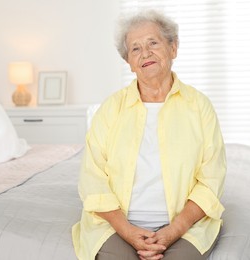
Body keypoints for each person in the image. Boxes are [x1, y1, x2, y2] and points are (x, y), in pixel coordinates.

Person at [72, 9, 226, 260]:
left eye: (153, 43)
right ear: (129, 62)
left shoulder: (199, 106)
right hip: (116, 226)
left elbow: (212, 179)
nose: (145, 53)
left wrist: (172, 231)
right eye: (135, 48)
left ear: (173, 48)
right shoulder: (111, 109)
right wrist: (128, 231)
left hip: (185, 227)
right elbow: (92, 179)